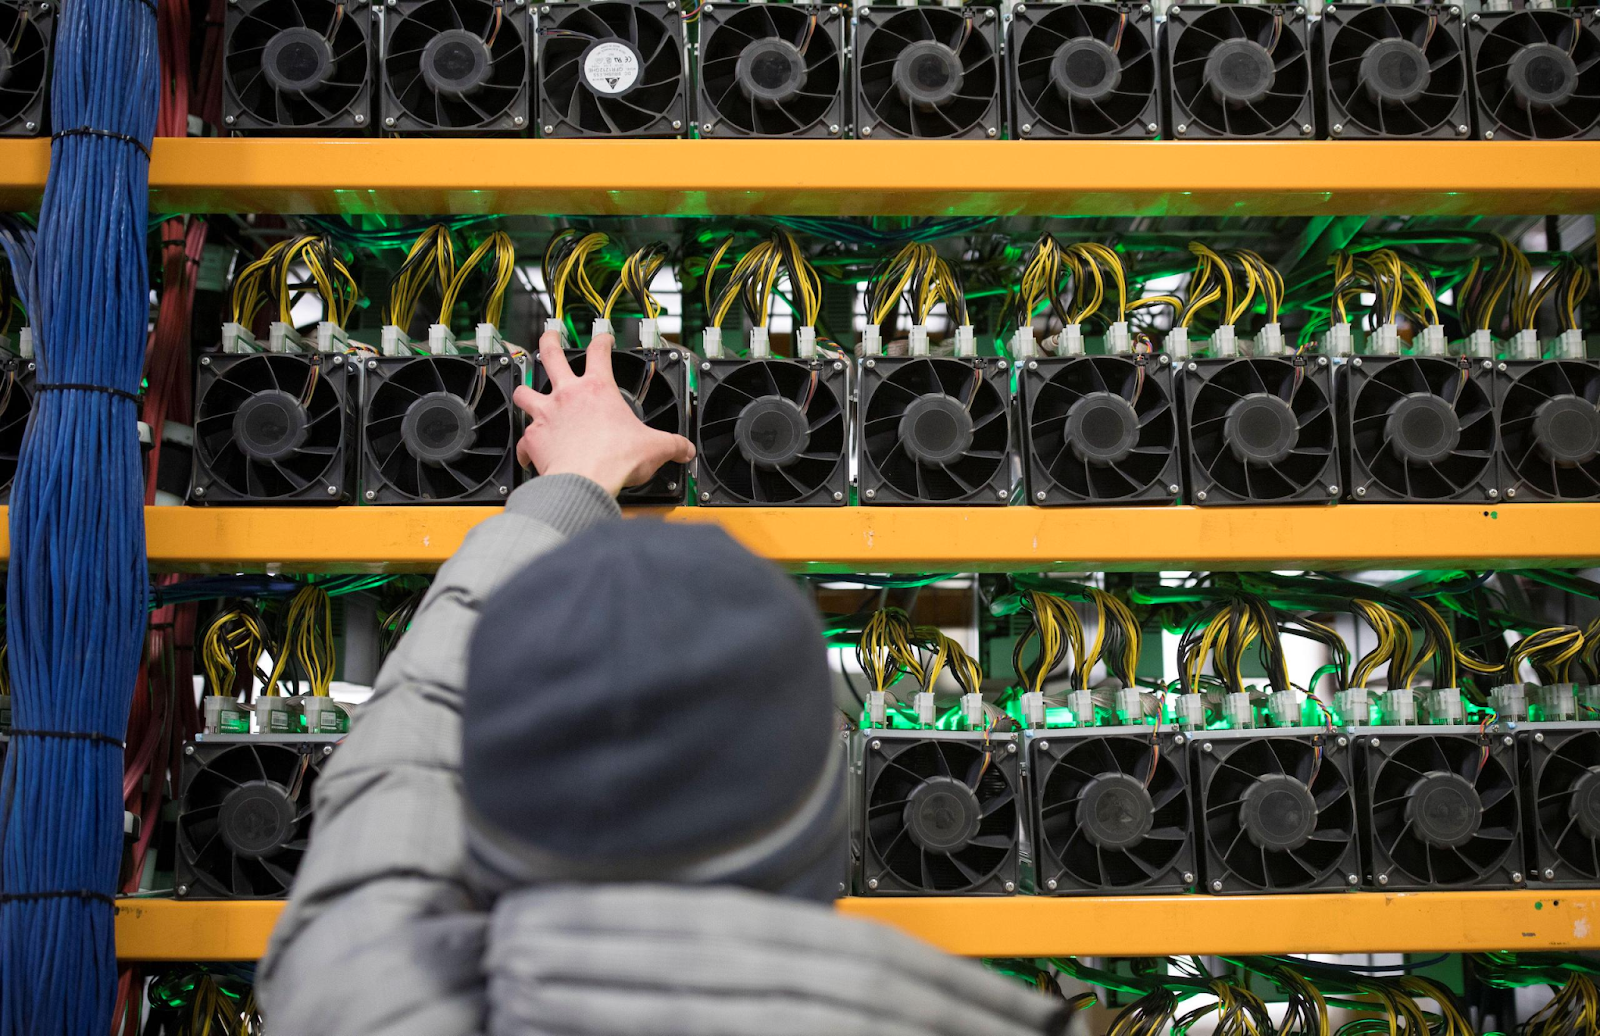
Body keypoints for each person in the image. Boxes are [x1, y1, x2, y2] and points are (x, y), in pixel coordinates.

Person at [260, 332, 1070, 1036]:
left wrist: (571, 484)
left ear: (490, 825)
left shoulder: (359, 998)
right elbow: (413, 748)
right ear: (840, 812)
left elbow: (409, 741)